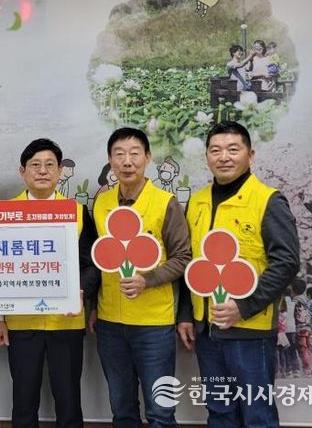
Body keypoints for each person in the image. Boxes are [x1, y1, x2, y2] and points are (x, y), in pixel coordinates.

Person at [177, 121, 300, 427]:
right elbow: (192, 264)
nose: (224, 157)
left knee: (257, 414)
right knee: (219, 411)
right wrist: (186, 314)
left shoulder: (268, 200)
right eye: (215, 150)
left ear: (250, 155)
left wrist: (243, 306)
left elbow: (286, 262)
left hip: (249, 331)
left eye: (233, 149)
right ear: (207, 156)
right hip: (207, 331)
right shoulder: (197, 201)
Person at [0, 138, 99, 428]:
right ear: (22, 171)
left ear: (60, 171)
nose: (42, 170)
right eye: (35, 165)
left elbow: (90, 264)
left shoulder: (77, 212)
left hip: (67, 321)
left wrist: (81, 291)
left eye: (50, 165)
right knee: (24, 402)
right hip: (21, 323)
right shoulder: (4, 213)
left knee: (69, 401)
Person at [89, 127, 191, 428]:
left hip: (153, 324)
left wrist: (148, 279)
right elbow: (99, 258)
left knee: (160, 411)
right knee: (122, 409)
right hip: (110, 322)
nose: (127, 161)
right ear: (110, 159)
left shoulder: (165, 202)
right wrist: (94, 306)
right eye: (119, 154)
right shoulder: (101, 203)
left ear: (147, 158)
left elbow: (183, 257)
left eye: (135, 154)